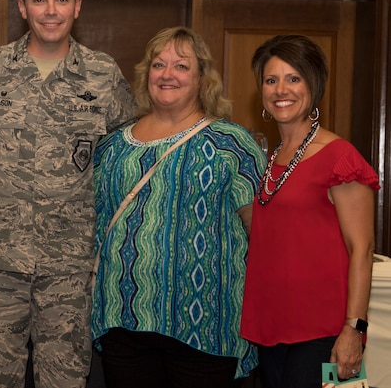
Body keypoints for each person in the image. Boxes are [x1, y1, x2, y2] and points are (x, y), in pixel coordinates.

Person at [0, 0, 136, 388]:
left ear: (78, 5)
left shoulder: (102, 74)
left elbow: (126, 157)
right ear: (23, 6)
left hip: (70, 269)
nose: (51, 10)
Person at [91, 26, 266, 388]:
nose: (168, 74)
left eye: (182, 66)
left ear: (202, 78)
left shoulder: (231, 145)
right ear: (147, 74)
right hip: (123, 321)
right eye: (159, 65)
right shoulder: (112, 148)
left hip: (206, 326)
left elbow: (263, 238)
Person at [240, 34, 379, 388]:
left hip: (325, 334)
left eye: (293, 78)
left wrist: (354, 329)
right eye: (271, 80)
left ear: (313, 86)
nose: (280, 89)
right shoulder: (271, 159)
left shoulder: (340, 157)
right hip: (271, 331)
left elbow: (361, 249)